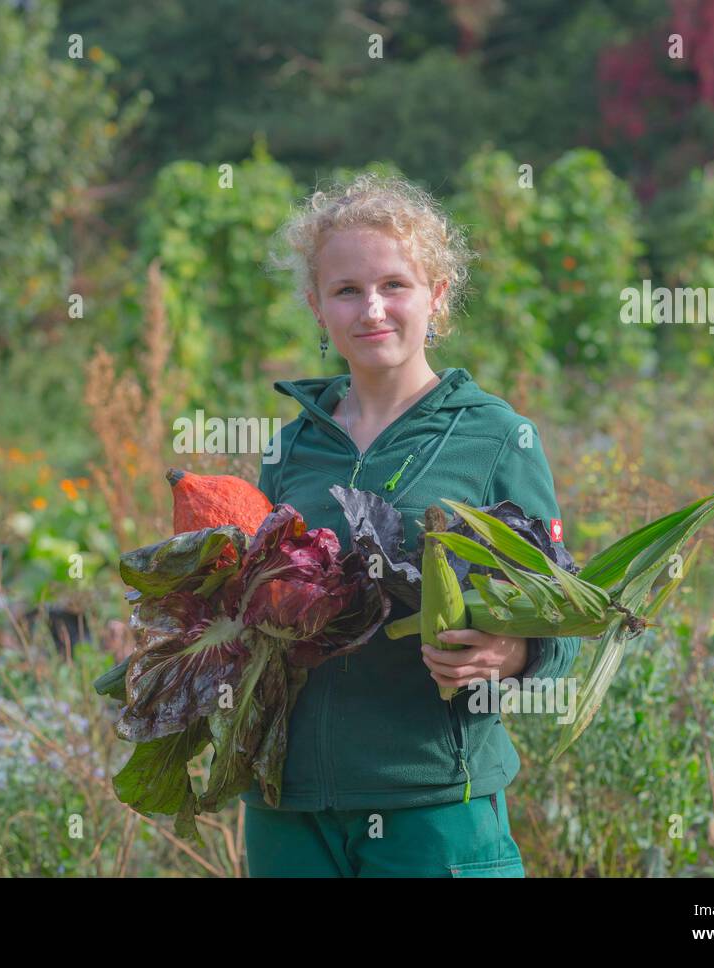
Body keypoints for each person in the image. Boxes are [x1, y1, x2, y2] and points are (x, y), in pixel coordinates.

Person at [242, 172, 581, 877]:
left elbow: (567, 618)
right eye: (346, 290)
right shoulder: (290, 449)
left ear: (438, 296)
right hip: (288, 809)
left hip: (433, 808)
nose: (372, 308)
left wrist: (509, 656)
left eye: (395, 284)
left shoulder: (495, 438)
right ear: (316, 306)